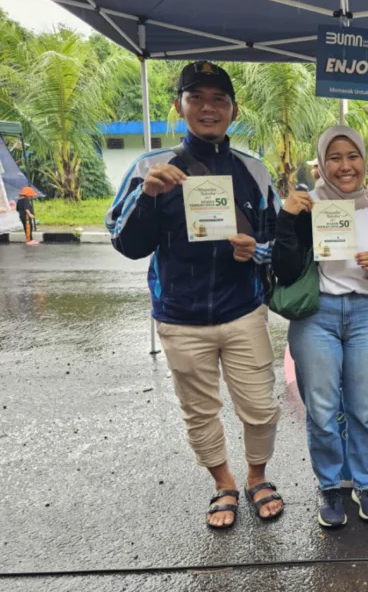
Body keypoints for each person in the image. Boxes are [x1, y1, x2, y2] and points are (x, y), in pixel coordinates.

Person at [106, 61, 283, 530]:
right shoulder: (150, 167)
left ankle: (257, 475)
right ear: (179, 106)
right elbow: (125, 242)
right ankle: (224, 483)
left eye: (219, 99)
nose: (209, 108)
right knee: (199, 412)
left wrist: (256, 250)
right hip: (180, 316)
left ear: (233, 110)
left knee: (261, 408)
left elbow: (278, 240)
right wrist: (147, 196)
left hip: (243, 311)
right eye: (196, 98)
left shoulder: (254, 170)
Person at [272, 126, 368, 527]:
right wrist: (286, 219)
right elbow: (285, 270)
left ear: (364, 160)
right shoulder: (308, 207)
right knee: (323, 411)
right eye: (335, 157)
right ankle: (329, 485)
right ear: (322, 164)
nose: (345, 166)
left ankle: (364, 483)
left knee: (364, 409)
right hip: (317, 316)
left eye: (353, 156)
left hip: (364, 315)